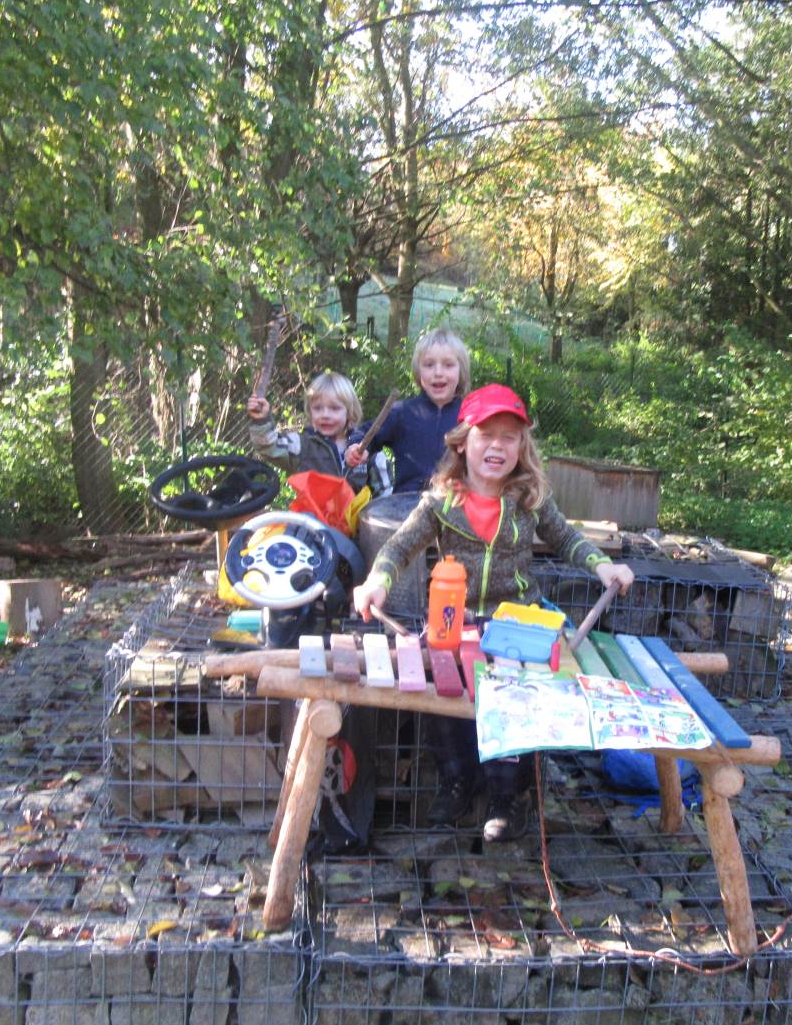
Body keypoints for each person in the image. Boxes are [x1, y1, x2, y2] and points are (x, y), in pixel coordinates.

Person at [353, 383, 635, 842]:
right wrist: (376, 582)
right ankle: (456, 780)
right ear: (462, 442)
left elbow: (567, 538)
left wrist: (603, 565)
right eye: (486, 435)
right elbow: (399, 547)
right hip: (455, 619)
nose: (497, 447)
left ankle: (507, 794)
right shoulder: (440, 501)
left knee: (518, 699)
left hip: (515, 621)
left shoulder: (529, 500)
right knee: (444, 694)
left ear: (522, 447)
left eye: (509, 437)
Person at [344, 328, 471, 495]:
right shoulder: (402, 412)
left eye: (448, 365)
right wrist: (356, 446)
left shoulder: (470, 416)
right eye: (429, 365)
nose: (438, 373)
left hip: (454, 501)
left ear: (461, 370)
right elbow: (364, 433)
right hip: (408, 502)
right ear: (418, 371)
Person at [248, 370, 386, 492]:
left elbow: (384, 496)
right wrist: (261, 420)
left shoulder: (366, 447)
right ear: (310, 411)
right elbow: (269, 446)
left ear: (349, 412)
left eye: (334, 408)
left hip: (357, 513)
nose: (325, 415)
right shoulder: (302, 445)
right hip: (312, 512)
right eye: (318, 408)